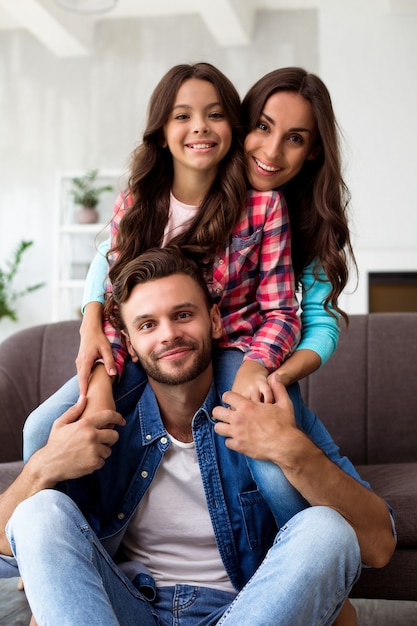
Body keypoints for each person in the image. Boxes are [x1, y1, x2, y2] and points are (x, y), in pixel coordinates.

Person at [0, 248, 395, 625]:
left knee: (327, 530)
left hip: (247, 610)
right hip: (125, 608)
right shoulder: (104, 421)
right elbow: (7, 545)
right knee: (38, 511)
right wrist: (43, 467)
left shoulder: (266, 407)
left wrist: (292, 452)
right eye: (148, 325)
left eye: (183, 314)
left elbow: (377, 545)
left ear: (216, 320)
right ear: (130, 345)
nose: (169, 334)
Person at [23, 61, 300, 459]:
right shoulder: (134, 205)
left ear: (233, 129)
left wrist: (256, 366)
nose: (201, 126)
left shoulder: (263, 206)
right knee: (41, 430)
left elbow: (282, 313)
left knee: (267, 459)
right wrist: (102, 383)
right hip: (153, 352)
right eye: (182, 116)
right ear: (162, 134)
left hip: (230, 352)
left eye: (215, 114)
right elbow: (119, 308)